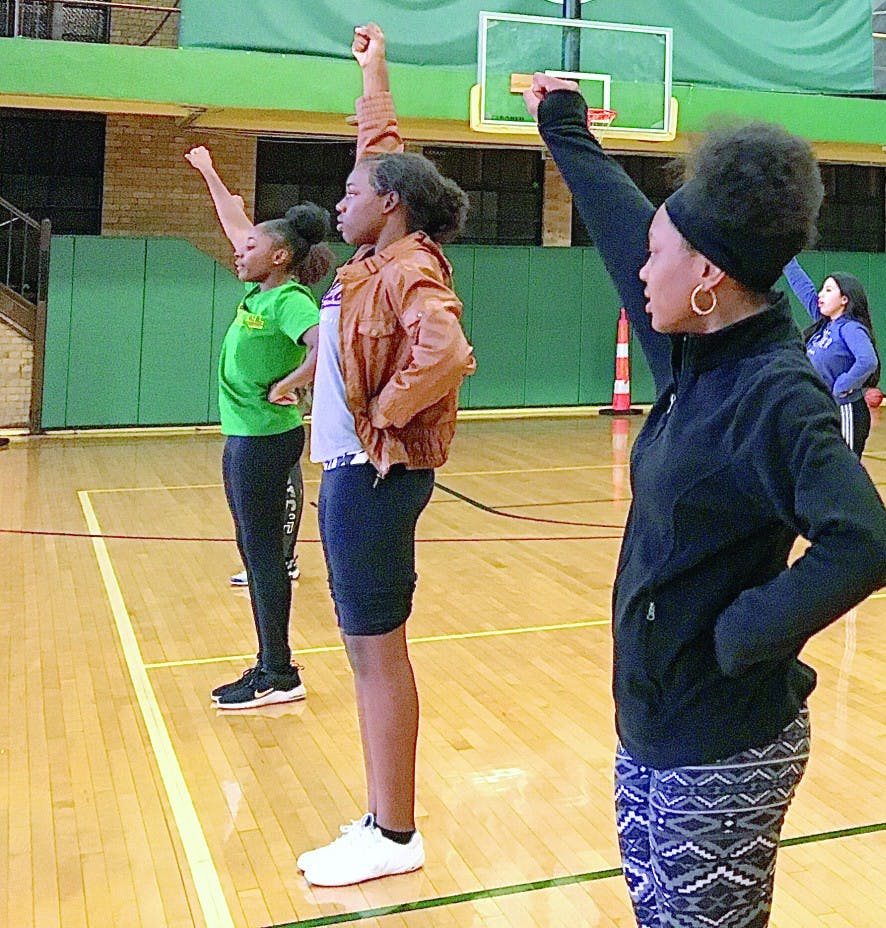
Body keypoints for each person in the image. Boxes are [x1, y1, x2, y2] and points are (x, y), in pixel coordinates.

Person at [529, 74, 886, 926]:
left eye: (661, 256)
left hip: (723, 745)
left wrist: (743, 634)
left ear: (706, 274)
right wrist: (564, 127)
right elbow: (627, 231)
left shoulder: (778, 394)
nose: (641, 271)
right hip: (653, 727)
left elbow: (865, 543)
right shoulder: (691, 353)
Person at [293, 23, 475, 888]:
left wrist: (383, 422)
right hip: (357, 475)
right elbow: (382, 149)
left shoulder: (409, 270)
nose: (339, 200)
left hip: (372, 480)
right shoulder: (378, 253)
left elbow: (445, 352)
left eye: (353, 190)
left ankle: (394, 834)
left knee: (376, 653)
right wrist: (374, 72)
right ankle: (382, 816)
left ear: (390, 205)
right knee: (371, 650)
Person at [184, 146, 331, 709]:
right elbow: (235, 222)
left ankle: (278, 671)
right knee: (254, 549)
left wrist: (292, 382)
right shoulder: (262, 288)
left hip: (265, 441)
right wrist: (209, 174)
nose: (237, 252)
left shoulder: (289, 301)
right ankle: (273, 664)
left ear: (278, 256)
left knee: (264, 555)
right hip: (247, 437)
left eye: (250, 249)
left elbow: (324, 347)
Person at [802, 272, 881, 452]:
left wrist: (843, 385)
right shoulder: (825, 325)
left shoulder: (850, 328)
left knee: (844, 473)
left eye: (828, 290)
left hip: (845, 411)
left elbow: (868, 360)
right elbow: (804, 290)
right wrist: (786, 259)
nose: (820, 294)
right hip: (823, 410)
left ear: (844, 299)